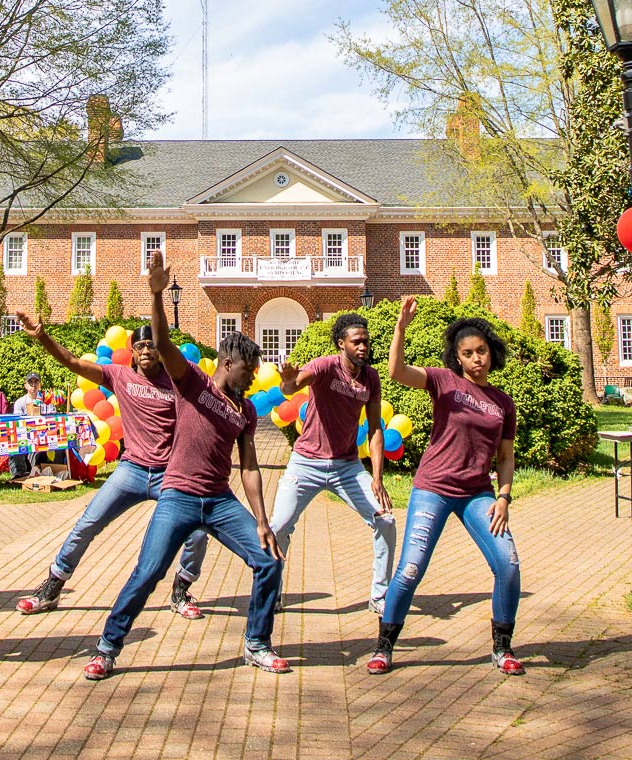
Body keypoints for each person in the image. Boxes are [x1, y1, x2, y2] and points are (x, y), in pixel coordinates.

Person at [82, 252, 286, 680]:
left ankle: (257, 643)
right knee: (149, 571)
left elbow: (249, 467)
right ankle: (108, 647)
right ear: (228, 364)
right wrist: (156, 295)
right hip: (178, 495)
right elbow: (163, 341)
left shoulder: (246, 411)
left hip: (220, 501)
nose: (252, 378)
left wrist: (263, 521)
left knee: (268, 562)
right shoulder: (193, 382)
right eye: (248, 370)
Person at [10, 313, 211, 619]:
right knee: (88, 523)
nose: (146, 351)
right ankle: (53, 585)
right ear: (132, 351)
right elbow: (74, 363)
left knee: (197, 531)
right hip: (131, 469)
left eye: (152, 345)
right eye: (140, 346)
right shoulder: (120, 376)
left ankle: (181, 590)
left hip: (170, 473)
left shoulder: (179, 379)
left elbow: (215, 396)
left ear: (162, 349)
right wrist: (43, 337)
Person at [368, 297, 524, 676]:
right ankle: (384, 645)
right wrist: (401, 329)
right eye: (468, 353)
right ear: (457, 358)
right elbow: (396, 372)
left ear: (491, 352)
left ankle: (501, 647)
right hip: (433, 488)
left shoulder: (503, 403)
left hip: (478, 495)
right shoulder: (443, 381)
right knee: (409, 570)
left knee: (508, 565)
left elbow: (505, 457)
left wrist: (503, 497)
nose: (476, 359)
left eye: (482, 351)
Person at [269, 312, 396, 614]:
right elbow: (294, 385)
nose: (363, 346)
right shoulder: (326, 366)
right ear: (342, 344)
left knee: (386, 520)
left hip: (347, 467)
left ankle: (380, 597)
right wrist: (287, 382)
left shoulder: (371, 378)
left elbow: (376, 428)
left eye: (366, 341)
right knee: (278, 526)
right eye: (357, 342)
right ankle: (270, 593)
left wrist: (377, 477)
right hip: (306, 462)